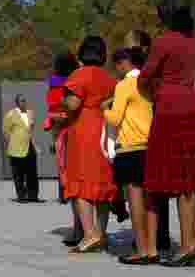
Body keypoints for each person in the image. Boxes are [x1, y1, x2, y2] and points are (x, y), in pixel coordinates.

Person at [138, 0, 195, 267]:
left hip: (170, 107)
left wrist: (151, 88)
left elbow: (146, 75)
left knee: (179, 180)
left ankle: (184, 247)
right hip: (193, 104)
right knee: (193, 181)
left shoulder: (163, 42)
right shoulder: (191, 41)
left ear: (165, 14)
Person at [103, 47, 164, 265]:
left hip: (130, 148)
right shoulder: (150, 83)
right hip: (151, 145)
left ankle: (140, 249)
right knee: (152, 200)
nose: (116, 69)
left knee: (135, 200)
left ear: (124, 63)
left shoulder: (124, 85)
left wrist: (104, 108)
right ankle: (153, 248)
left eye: (117, 64)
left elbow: (115, 118)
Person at [62, 36, 119, 254]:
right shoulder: (109, 77)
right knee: (102, 183)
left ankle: (89, 234)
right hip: (105, 132)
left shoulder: (79, 75)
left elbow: (74, 103)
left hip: (84, 131)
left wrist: (64, 102)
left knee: (80, 182)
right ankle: (102, 233)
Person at [122, 31, 172, 258]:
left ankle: (151, 240)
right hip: (150, 133)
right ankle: (153, 239)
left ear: (141, 47)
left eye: (130, 46)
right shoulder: (148, 69)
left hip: (150, 134)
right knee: (151, 189)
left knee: (149, 190)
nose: (126, 50)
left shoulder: (147, 71)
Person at [43, 51, 83, 246]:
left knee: (72, 184)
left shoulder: (55, 86)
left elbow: (55, 114)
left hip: (64, 138)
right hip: (86, 135)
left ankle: (78, 228)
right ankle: (93, 229)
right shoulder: (80, 82)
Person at [3, 94, 42, 203]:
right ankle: (21, 196)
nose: (24, 103)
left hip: (29, 146)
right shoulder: (10, 114)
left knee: (32, 173)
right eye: (21, 101)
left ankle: (33, 196)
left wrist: (35, 145)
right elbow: (6, 132)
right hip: (16, 148)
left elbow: (31, 131)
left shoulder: (30, 113)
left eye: (25, 101)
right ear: (17, 103)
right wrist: (9, 146)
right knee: (18, 174)